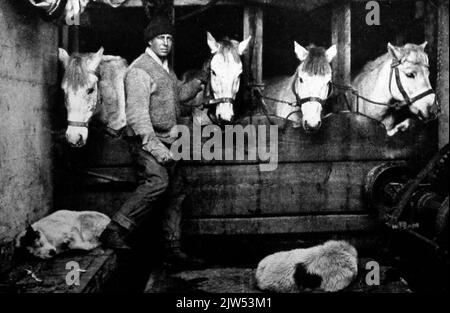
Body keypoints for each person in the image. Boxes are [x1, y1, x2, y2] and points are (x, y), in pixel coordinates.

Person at [101, 16, 205, 268]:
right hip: (146, 140)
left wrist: (197, 82)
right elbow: (137, 115)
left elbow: (176, 96)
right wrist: (155, 148)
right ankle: (114, 229)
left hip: (168, 138)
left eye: (169, 38)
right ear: (150, 40)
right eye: (161, 38)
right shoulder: (139, 69)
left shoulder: (164, 68)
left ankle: (172, 250)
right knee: (157, 181)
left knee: (177, 191)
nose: (166, 43)